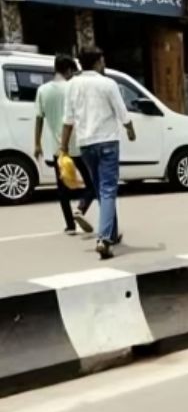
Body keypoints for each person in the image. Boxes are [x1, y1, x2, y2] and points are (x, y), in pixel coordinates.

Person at [59, 46, 134, 260]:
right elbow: (122, 112)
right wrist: (130, 130)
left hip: (86, 144)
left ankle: (111, 231)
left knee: (102, 190)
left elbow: (68, 120)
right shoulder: (108, 83)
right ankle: (104, 239)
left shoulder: (72, 85)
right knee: (108, 189)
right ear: (98, 62)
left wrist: (63, 147)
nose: (104, 64)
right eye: (102, 61)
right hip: (108, 141)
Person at [32, 54, 95, 236]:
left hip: (58, 149)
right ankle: (81, 209)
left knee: (62, 188)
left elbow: (39, 119)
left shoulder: (43, 91)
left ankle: (70, 225)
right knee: (92, 185)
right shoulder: (74, 88)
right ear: (69, 70)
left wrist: (37, 144)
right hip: (80, 145)